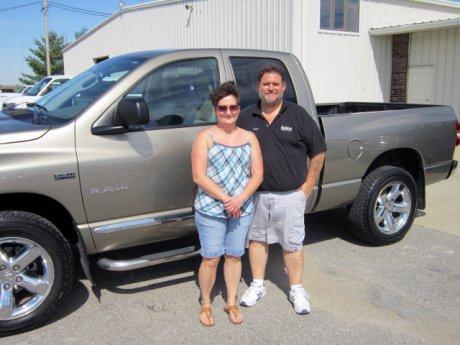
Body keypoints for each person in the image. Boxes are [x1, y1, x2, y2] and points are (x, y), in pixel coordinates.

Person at [237, 65, 326, 315]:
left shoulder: (297, 115)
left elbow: (318, 151)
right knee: (256, 240)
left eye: (276, 84)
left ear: (283, 87)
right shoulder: (246, 117)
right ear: (258, 87)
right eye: (266, 84)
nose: (271, 88)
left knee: (292, 244)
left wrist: (307, 187)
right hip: (256, 195)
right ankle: (257, 285)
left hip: (290, 196)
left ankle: (297, 289)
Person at [191, 81, 263, 326]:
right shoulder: (205, 137)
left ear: (238, 108)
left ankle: (231, 301)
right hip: (211, 209)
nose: (228, 112)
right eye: (223, 108)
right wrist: (227, 200)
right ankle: (206, 302)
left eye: (233, 107)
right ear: (215, 110)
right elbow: (198, 176)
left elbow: (257, 175)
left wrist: (240, 200)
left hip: (241, 209)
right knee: (211, 258)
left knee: (234, 256)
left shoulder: (249, 138)